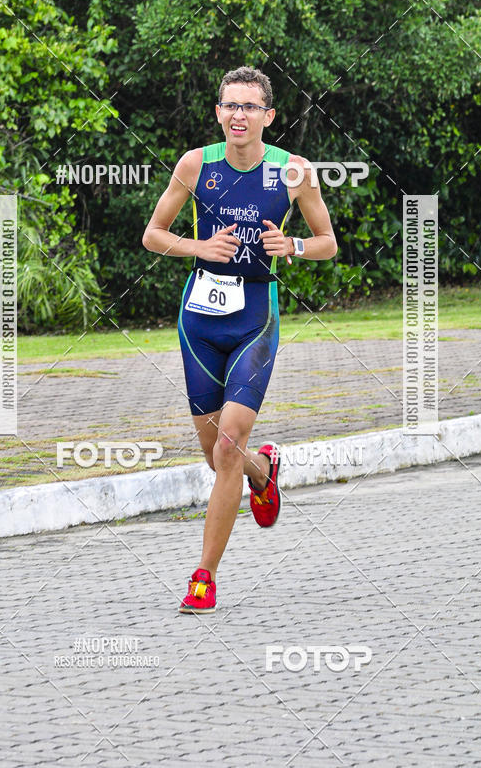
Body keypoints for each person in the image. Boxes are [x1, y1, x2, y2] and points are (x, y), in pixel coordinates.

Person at [142, 66, 337, 613]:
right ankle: (263, 471)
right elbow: (153, 235)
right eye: (230, 105)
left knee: (228, 441)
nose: (238, 116)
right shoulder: (196, 165)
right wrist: (198, 247)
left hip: (255, 317)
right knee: (217, 455)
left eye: (250, 107)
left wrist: (293, 246)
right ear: (218, 112)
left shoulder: (293, 172)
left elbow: (328, 243)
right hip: (199, 321)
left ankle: (203, 576)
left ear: (268, 117)